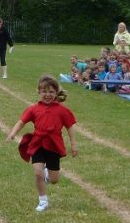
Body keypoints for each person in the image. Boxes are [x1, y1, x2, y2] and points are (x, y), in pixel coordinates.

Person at [5, 75, 78, 212]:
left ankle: (47, 174)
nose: (47, 95)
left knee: (54, 179)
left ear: (56, 93)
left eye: (51, 92)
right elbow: (21, 122)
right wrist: (13, 133)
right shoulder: (33, 109)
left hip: (53, 146)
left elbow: (70, 127)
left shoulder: (62, 111)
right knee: (37, 173)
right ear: (38, 92)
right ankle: (43, 201)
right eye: (44, 91)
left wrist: (74, 145)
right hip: (38, 143)